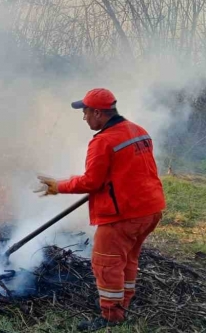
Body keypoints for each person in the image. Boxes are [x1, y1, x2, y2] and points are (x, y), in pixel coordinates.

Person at [35, 88, 166, 331]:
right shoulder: (138, 131)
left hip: (123, 215)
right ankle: (123, 304)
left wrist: (58, 186)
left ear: (98, 112)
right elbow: (130, 169)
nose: (84, 117)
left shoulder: (103, 141)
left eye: (85, 112)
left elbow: (91, 182)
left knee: (105, 264)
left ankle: (111, 317)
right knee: (127, 259)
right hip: (151, 209)